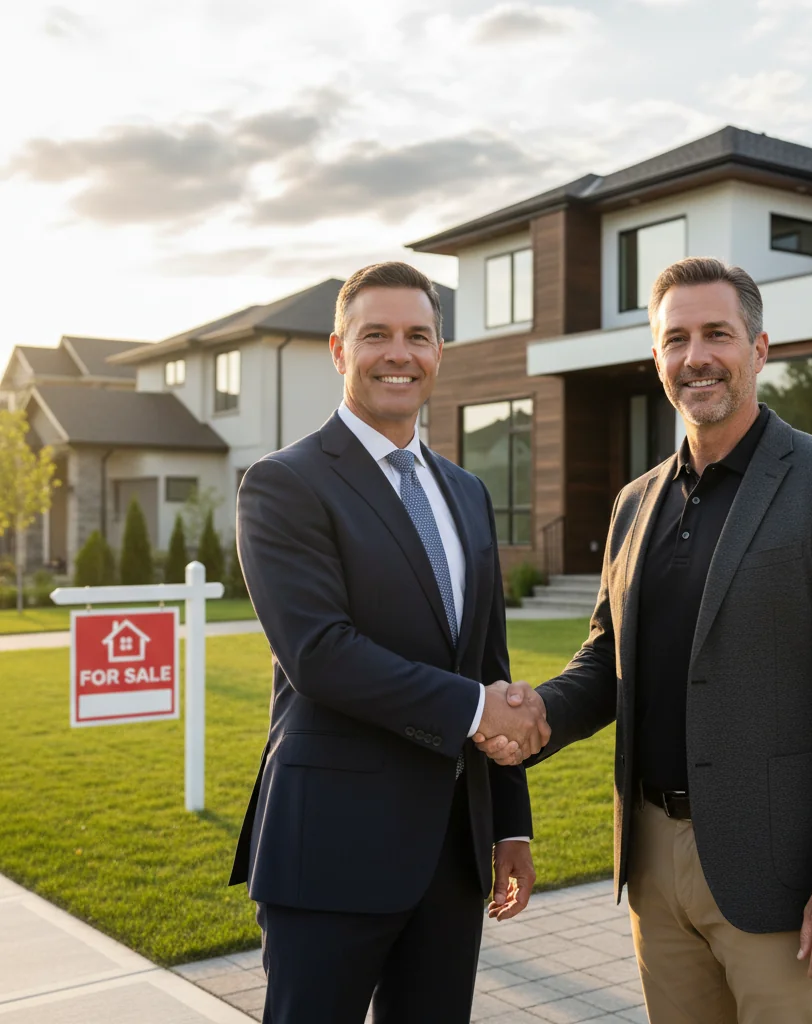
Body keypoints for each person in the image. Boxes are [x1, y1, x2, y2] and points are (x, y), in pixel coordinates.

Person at [477, 257, 812, 1024]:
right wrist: (529, 715)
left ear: (760, 348)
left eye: (717, 333)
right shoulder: (634, 501)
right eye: (675, 339)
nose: (696, 356)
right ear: (656, 359)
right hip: (651, 864)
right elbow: (606, 663)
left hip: (780, 874)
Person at [229, 262, 550, 1024]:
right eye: (376, 335)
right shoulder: (284, 484)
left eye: (418, 336)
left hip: (452, 852)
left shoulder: (465, 492)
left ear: (440, 351)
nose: (398, 353)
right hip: (331, 847)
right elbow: (320, 654)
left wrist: (508, 821)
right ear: (340, 351)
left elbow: (487, 665)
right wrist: (477, 710)